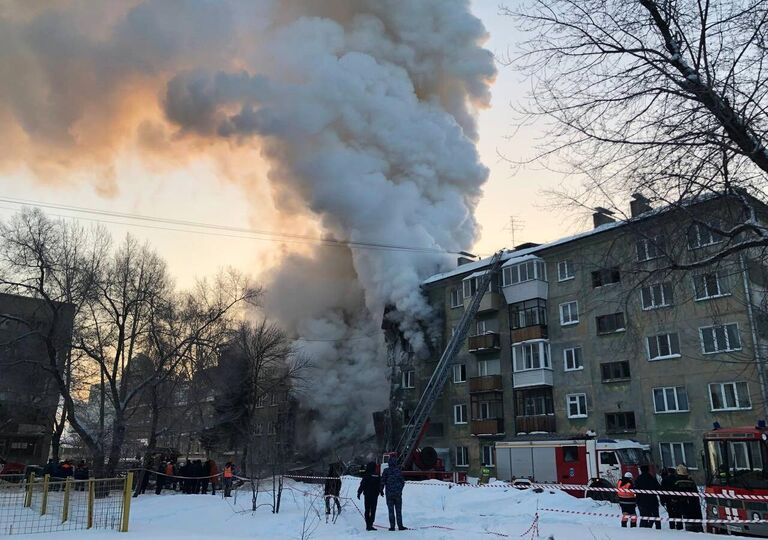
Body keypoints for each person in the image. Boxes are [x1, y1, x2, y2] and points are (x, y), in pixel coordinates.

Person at [380, 455, 407, 531]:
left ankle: (392, 527)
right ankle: (400, 526)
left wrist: (381, 490)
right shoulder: (398, 471)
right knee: (398, 511)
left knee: (390, 511)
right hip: (398, 494)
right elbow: (402, 482)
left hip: (389, 494)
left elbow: (382, 482)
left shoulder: (386, 471)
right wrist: (400, 490)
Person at [674, 464, 703, 533]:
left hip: (685, 507)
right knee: (698, 527)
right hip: (695, 507)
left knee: (690, 528)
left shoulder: (677, 483)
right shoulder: (691, 482)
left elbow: (676, 496)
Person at [634, 464, 661, 529]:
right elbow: (658, 488)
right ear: (648, 470)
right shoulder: (652, 478)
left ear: (641, 470)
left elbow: (636, 491)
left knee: (643, 517)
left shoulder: (638, 479)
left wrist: (637, 501)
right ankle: (658, 528)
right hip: (653, 501)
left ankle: (644, 529)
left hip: (642, 501)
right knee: (656, 516)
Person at [357, 462, 381, 531]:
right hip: (374, 495)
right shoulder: (377, 475)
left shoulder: (366, 475)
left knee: (367, 510)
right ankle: (371, 524)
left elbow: (362, 485)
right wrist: (381, 492)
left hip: (367, 495)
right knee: (373, 510)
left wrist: (359, 493)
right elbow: (379, 485)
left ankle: (368, 525)